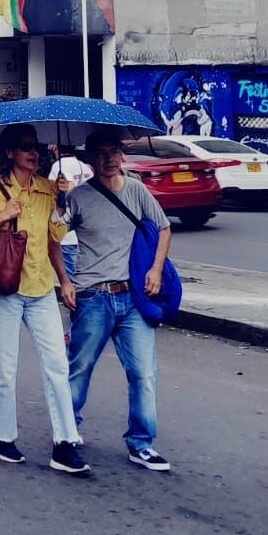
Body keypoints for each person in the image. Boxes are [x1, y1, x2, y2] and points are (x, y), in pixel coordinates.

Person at [0, 123, 87, 475]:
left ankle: (65, 442)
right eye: (26, 147)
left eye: (37, 147)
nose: (34, 153)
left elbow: (55, 237)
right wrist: (1, 217)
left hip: (42, 288)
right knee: (4, 368)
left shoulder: (47, 189)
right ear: (10, 152)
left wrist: (63, 202)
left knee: (58, 366)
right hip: (5, 290)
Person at [66, 130, 173, 471]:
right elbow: (53, 237)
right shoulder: (77, 197)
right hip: (93, 296)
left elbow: (164, 227)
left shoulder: (137, 191)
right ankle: (67, 433)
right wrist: (64, 280)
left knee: (143, 373)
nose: (109, 159)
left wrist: (155, 269)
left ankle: (141, 443)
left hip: (132, 298)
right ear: (89, 158)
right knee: (80, 369)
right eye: (101, 153)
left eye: (114, 152)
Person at [49, 144, 92, 279]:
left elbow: (51, 191)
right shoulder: (84, 167)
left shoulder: (58, 166)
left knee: (71, 276)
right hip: (83, 226)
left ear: (57, 148)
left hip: (65, 228)